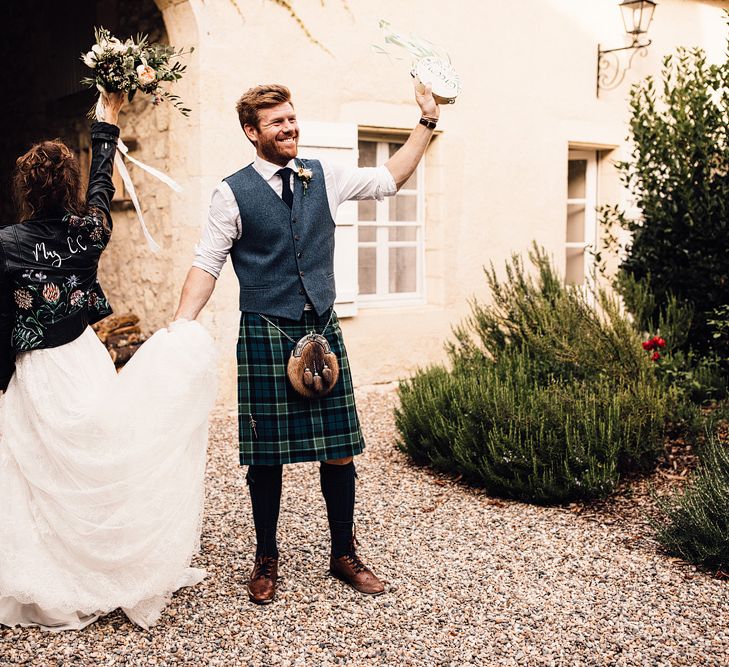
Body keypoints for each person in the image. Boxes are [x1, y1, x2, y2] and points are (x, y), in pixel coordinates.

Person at [174, 79, 440, 604]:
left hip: (321, 326)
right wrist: (181, 323)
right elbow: (208, 261)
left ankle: (344, 553)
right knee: (266, 456)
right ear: (252, 132)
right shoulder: (231, 191)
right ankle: (266, 558)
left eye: (291, 118)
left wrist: (427, 122)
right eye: (276, 122)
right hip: (265, 330)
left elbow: (391, 177)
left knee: (340, 451)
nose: (289, 127)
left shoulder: (326, 174)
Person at [0, 92, 217, 631]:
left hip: (36, 370)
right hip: (83, 358)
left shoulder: (5, 244)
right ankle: (102, 557)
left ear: (24, 192)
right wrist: (108, 120)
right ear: (67, 189)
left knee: (41, 470)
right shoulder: (91, 231)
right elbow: (104, 182)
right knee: (96, 453)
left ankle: (56, 566)